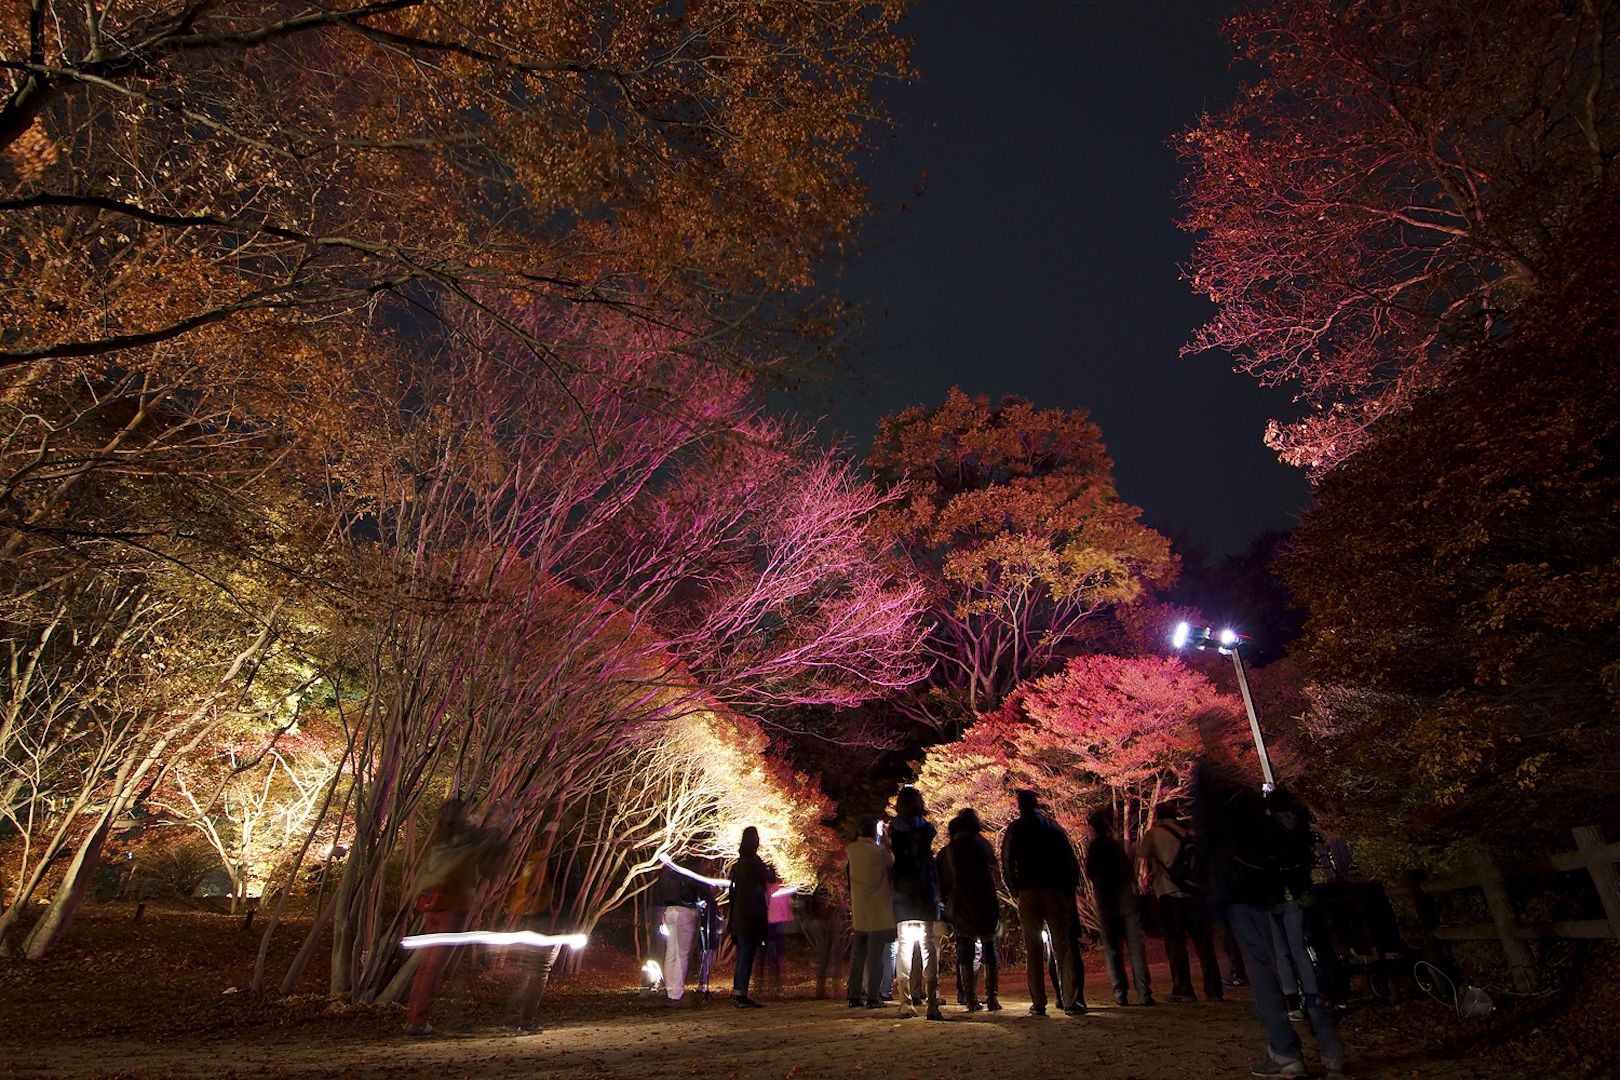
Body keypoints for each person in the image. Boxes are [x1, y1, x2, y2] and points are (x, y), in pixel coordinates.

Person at [1193, 714, 1345, 1078]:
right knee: (1301, 961)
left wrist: (1208, 884)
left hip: (1241, 886)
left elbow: (1207, 835)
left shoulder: (1209, 782)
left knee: (1264, 967)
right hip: (1276, 882)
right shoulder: (1244, 782)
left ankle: (1285, 1050)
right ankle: (1331, 1049)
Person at [404, 797, 502, 1036]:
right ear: (460, 817)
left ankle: (417, 1018)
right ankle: (417, 1021)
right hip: (450, 906)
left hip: (432, 906)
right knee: (434, 966)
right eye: (466, 813)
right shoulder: (464, 842)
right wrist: (499, 823)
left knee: (429, 965)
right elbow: (485, 846)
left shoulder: (441, 842)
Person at [1000, 788, 1083, 1016]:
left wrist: (1015, 889)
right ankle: (1069, 1000)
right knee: (1062, 946)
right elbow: (1069, 858)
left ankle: (1038, 1001)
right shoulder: (1053, 827)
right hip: (1055, 889)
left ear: (1020, 806)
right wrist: (1069, 889)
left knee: (1033, 947)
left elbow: (1006, 861)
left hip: (1028, 890)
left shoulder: (1015, 829)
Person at [1143, 802, 1223, 1003]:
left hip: (1168, 893)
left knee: (1175, 943)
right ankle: (1214, 989)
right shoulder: (1187, 833)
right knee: (1204, 943)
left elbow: (1141, 854)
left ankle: (1183, 988)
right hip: (1194, 894)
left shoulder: (1154, 834)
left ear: (1158, 815)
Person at [1085, 807, 1154, 1007]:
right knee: (1135, 948)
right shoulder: (1119, 846)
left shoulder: (1094, 848)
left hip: (1106, 903)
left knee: (1112, 950)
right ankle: (1144, 992)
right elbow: (1130, 871)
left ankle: (1120, 992)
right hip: (1127, 901)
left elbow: (1090, 873)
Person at [937, 807, 1001, 1012]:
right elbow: (995, 870)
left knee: (965, 949)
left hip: (961, 904)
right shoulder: (982, 845)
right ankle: (992, 998)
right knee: (990, 949)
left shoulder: (946, 852)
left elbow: (942, 884)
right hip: (985, 902)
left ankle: (970, 998)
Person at [888, 786, 944, 1020]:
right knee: (928, 948)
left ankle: (905, 1002)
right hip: (924, 891)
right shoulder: (927, 829)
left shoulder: (893, 830)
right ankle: (932, 1003)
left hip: (902, 894)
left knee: (904, 949)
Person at [505, 821, 563, 1032]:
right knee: (540, 969)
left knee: (529, 968)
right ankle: (526, 1019)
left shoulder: (534, 857)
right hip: (549, 920)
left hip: (529, 916)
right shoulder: (558, 859)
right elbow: (565, 890)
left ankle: (512, 1017)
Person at [845, 814, 897, 1008]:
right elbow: (890, 869)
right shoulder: (879, 852)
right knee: (876, 956)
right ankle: (874, 997)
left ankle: (854, 994)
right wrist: (886, 842)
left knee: (858, 954)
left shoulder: (852, 850)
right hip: (877, 911)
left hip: (860, 909)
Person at [728, 826, 774, 1008]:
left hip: (739, 915)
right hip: (750, 916)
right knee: (747, 955)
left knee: (743, 954)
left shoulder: (739, 864)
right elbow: (769, 878)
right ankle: (740, 994)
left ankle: (739, 991)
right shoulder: (754, 863)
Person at [654, 859, 708, 1005]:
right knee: (682, 954)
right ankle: (677, 991)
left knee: (671, 952)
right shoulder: (685, 872)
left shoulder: (665, 873)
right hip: (685, 911)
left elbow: (659, 894)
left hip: (669, 911)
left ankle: (671, 989)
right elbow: (697, 891)